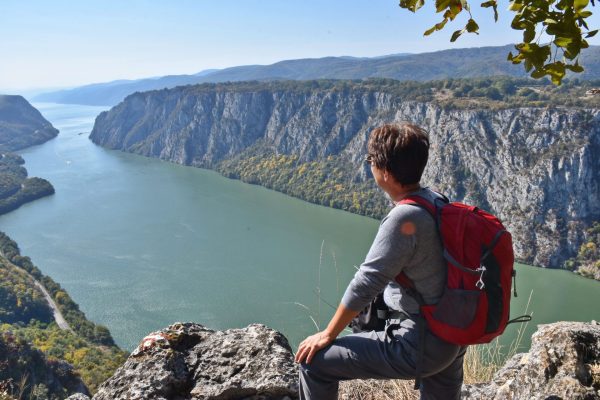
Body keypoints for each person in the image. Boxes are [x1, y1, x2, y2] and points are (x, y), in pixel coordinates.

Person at [295, 123, 466, 400]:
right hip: (451, 334)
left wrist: (328, 334)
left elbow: (366, 283)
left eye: (371, 160)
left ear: (384, 171)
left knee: (314, 364)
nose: (370, 166)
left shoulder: (404, 217)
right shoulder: (435, 200)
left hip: (419, 343)